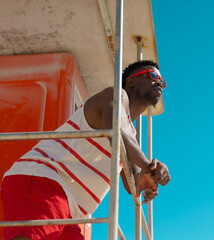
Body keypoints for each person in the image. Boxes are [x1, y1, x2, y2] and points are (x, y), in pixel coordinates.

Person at [1, 60, 170, 240]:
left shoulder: (130, 133)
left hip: (72, 208)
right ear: (131, 81)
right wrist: (148, 166)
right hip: (46, 179)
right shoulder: (115, 95)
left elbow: (132, 183)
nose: (159, 82)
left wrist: (145, 178)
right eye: (152, 76)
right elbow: (118, 136)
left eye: (162, 80)